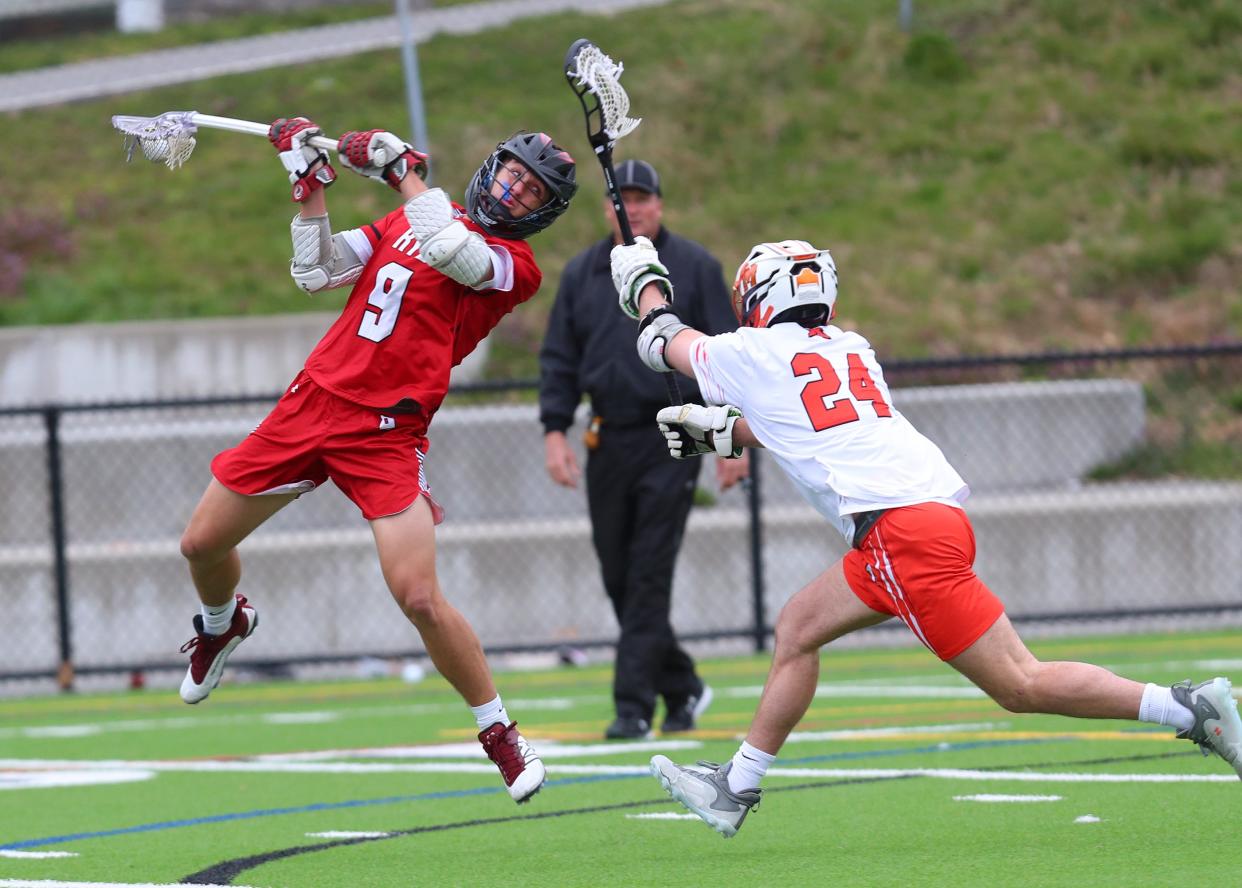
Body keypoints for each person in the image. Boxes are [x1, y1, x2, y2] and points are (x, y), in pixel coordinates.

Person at [605, 236, 1242, 836]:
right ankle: (735, 785)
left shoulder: (754, 354)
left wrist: (643, 279)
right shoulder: (852, 347)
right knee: (799, 627)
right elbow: (812, 420)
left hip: (897, 535)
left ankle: (1187, 709)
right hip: (922, 521)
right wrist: (727, 432)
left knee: (1020, 684)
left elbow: (662, 341)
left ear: (764, 299)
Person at [176, 117, 577, 804]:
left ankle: (499, 732)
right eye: (512, 176)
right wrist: (310, 187)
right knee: (200, 543)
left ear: (540, 213)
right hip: (313, 401)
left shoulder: (516, 267)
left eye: (530, 191)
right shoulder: (414, 215)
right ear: (492, 167)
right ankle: (224, 625)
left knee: (418, 596)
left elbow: (453, 252)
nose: (513, 193)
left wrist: (405, 171)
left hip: (386, 430)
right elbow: (317, 272)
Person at [538, 159, 748, 740]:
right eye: (620, 199)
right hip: (606, 437)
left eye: (642, 198)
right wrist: (554, 430)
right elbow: (559, 358)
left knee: (649, 574)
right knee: (619, 576)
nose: (631, 208)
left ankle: (632, 707)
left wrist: (732, 438)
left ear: (659, 205)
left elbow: (724, 356)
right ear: (606, 208)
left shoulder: (694, 267)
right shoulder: (583, 273)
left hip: (674, 435)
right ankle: (682, 686)